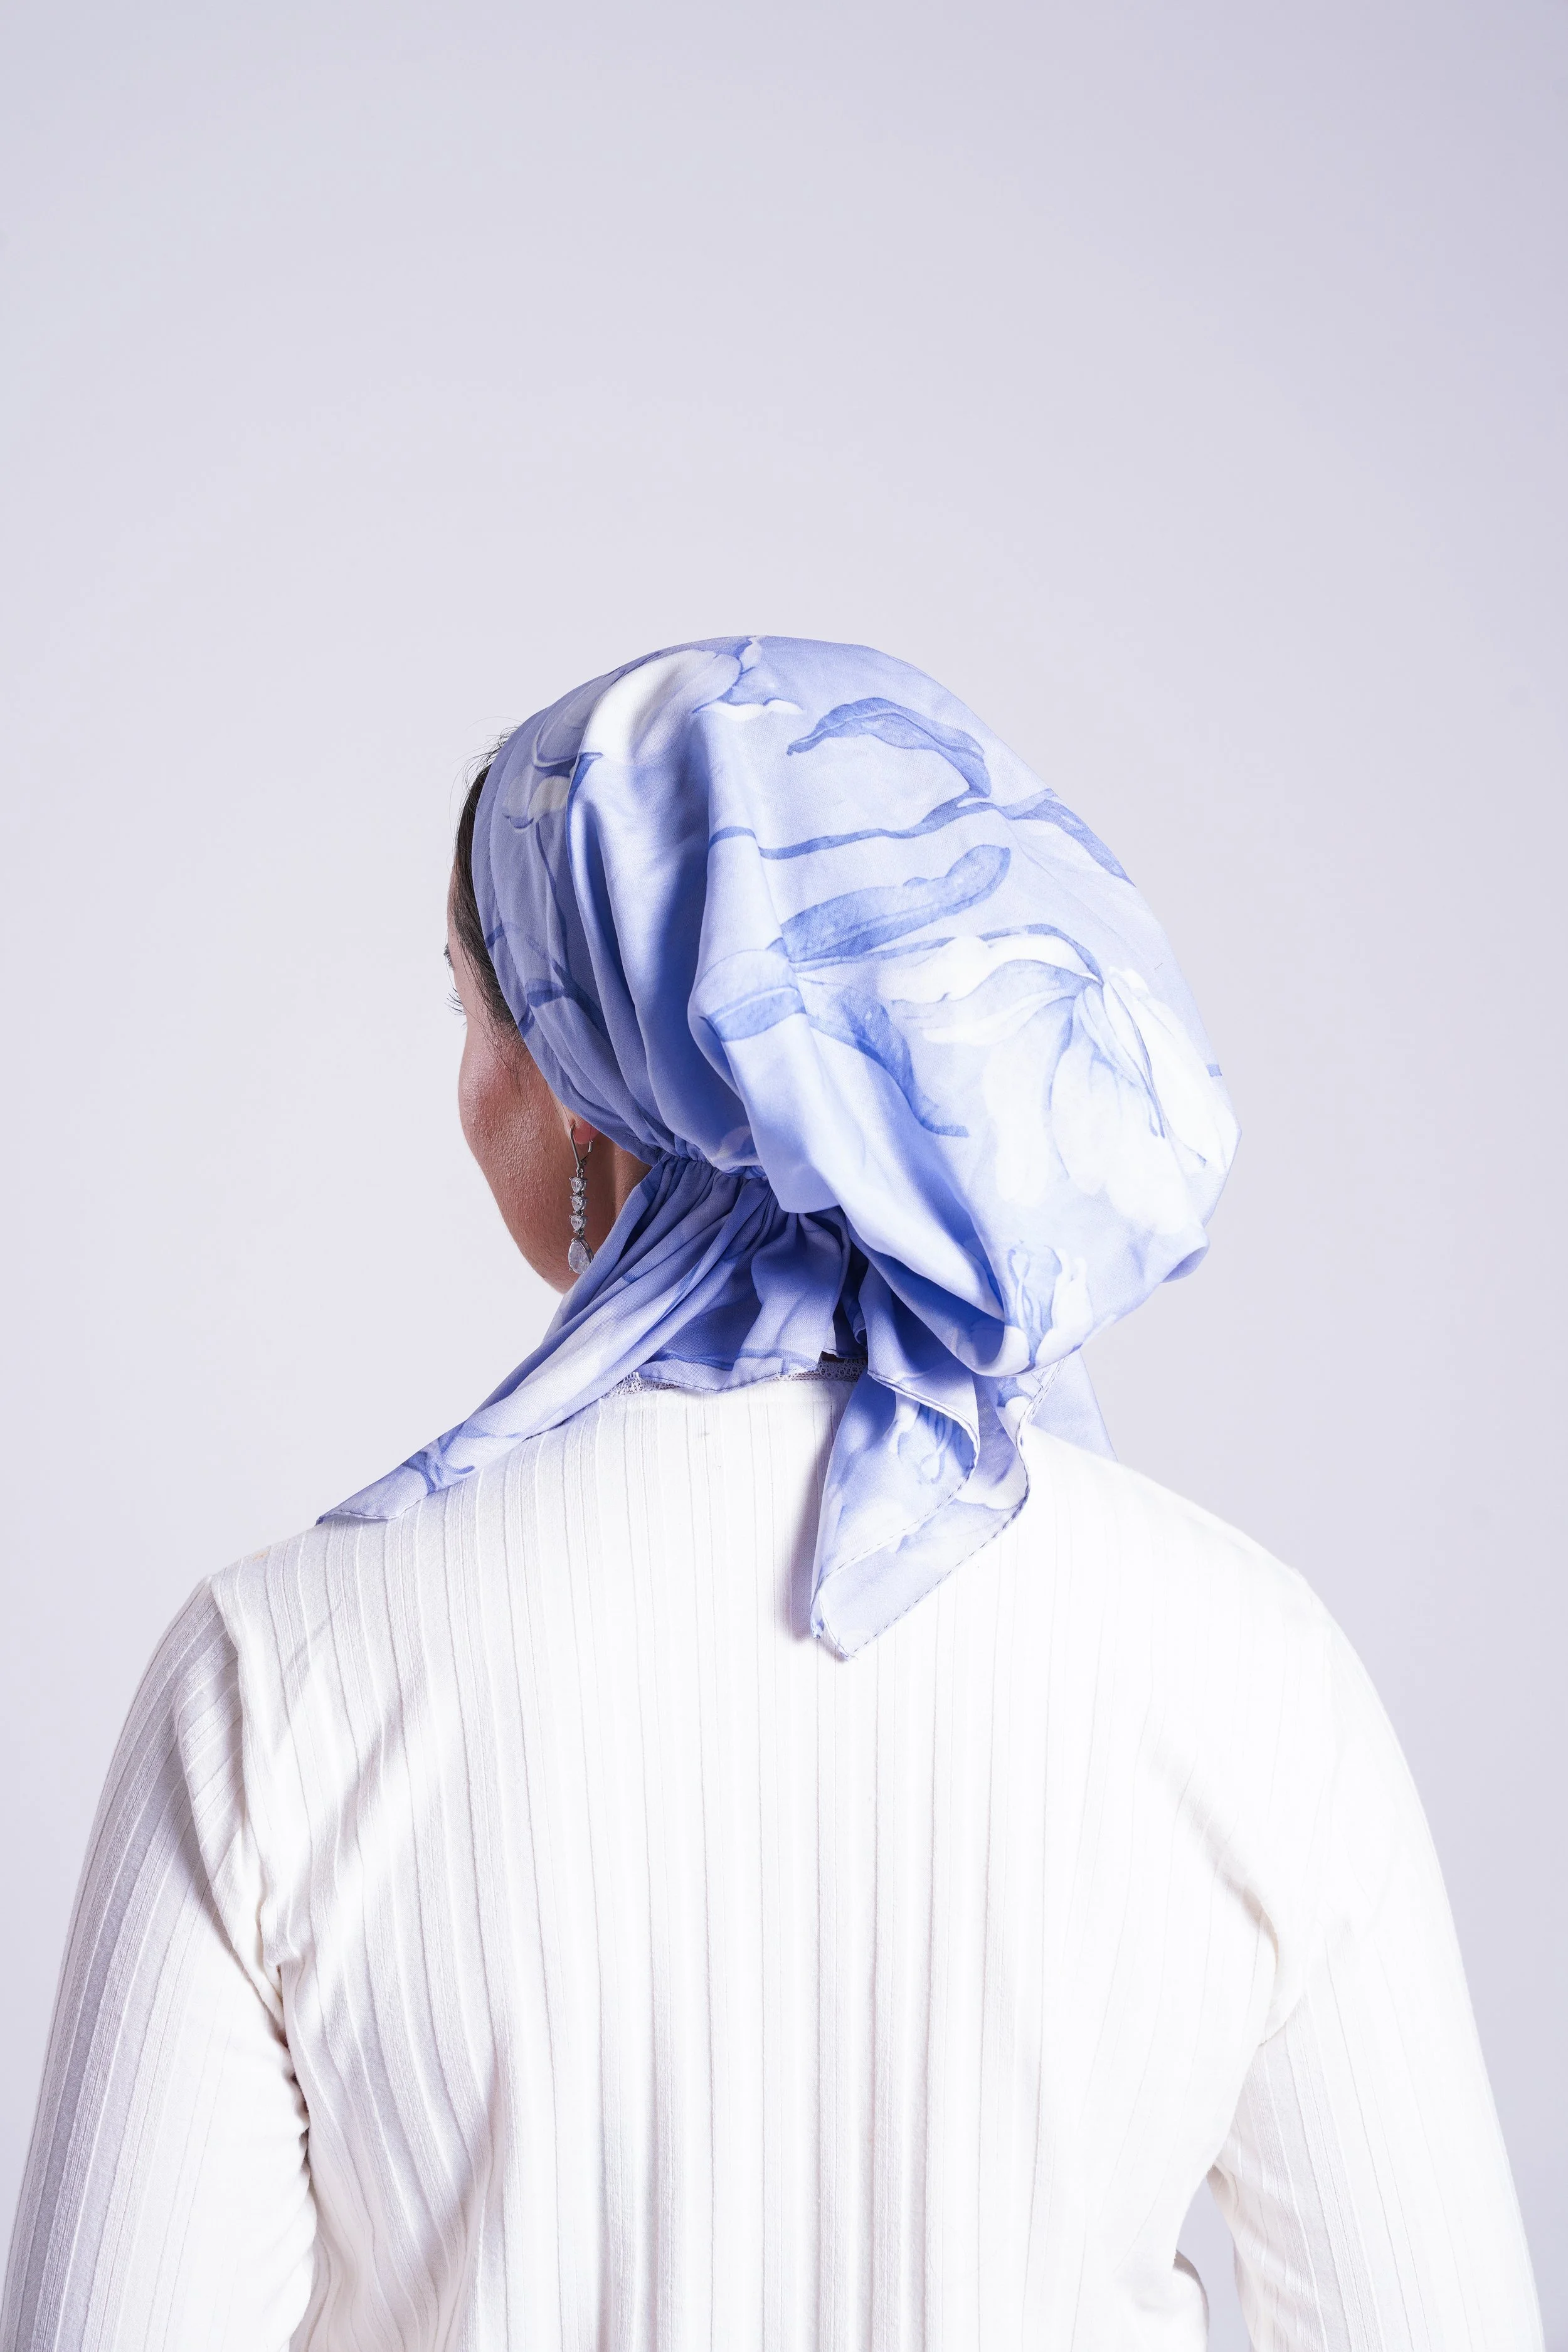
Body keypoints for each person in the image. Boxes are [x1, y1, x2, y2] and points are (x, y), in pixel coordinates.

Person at [1, 638, 1541, 2351]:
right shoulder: (1259, 1670)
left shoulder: (269, 1677)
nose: (467, 1086)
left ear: (595, 1087)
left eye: (475, 1007)